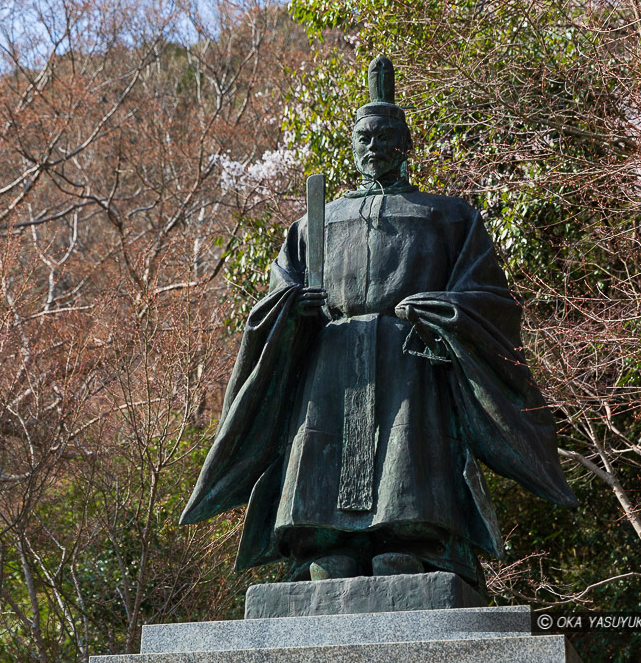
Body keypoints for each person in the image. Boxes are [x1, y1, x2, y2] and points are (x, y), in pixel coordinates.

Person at [179, 56, 576, 592]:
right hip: (329, 357)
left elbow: (490, 298)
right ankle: (328, 542)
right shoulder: (312, 225)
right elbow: (271, 302)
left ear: (407, 143)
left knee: (409, 444)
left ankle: (411, 541)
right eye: (364, 136)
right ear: (351, 145)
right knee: (320, 444)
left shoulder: (450, 216)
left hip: (409, 356)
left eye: (387, 135)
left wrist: (443, 311)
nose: (375, 146)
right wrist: (293, 309)